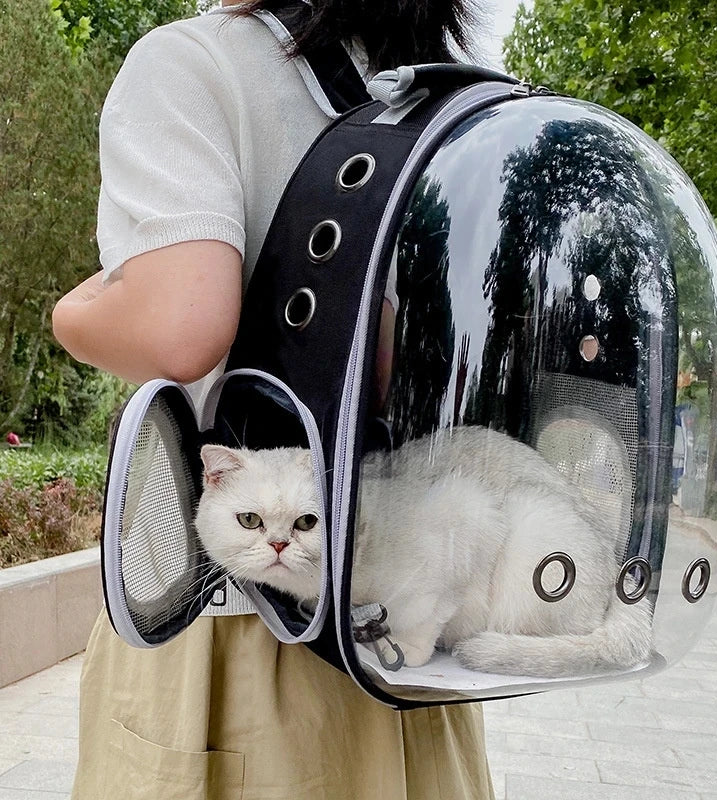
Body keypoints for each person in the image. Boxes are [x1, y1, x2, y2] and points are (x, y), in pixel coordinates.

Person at [52, 1, 496, 798]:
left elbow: (184, 328)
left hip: (224, 638)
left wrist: (72, 313)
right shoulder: (436, 101)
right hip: (394, 634)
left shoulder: (194, 64)